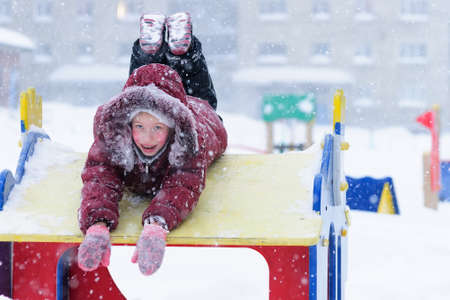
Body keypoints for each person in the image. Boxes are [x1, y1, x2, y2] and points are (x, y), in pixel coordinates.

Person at [77, 12, 227, 276]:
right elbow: (100, 177)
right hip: (159, 102)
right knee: (141, 90)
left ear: (173, 127)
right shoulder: (114, 133)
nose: (147, 137)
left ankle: (182, 51)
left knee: (197, 94)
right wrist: (97, 224)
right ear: (127, 126)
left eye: (157, 128)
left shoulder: (190, 139)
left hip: (199, 111)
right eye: (140, 128)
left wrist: (157, 224)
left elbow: (184, 184)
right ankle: (161, 50)